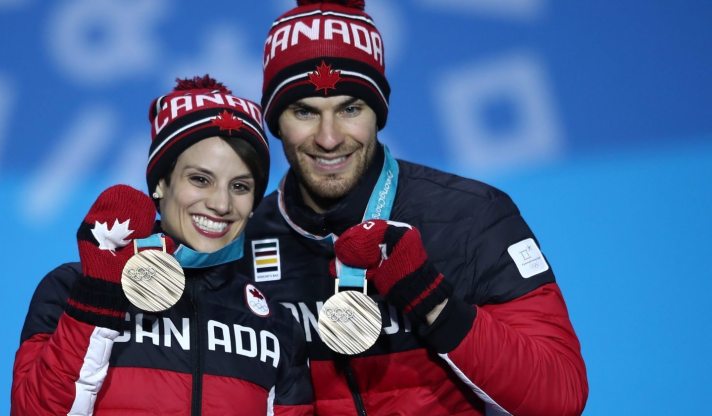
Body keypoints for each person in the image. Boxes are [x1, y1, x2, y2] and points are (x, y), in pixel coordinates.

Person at [241, 1, 589, 415]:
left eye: (350, 109)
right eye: (305, 112)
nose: (329, 138)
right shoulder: (246, 242)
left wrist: (433, 302)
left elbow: (560, 395)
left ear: (379, 114)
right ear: (276, 122)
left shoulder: (470, 216)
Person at [11, 76, 314, 415]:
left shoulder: (275, 321)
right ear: (160, 183)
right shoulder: (70, 288)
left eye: (240, 187)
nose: (221, 204)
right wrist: (98, 294)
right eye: (200, 179)